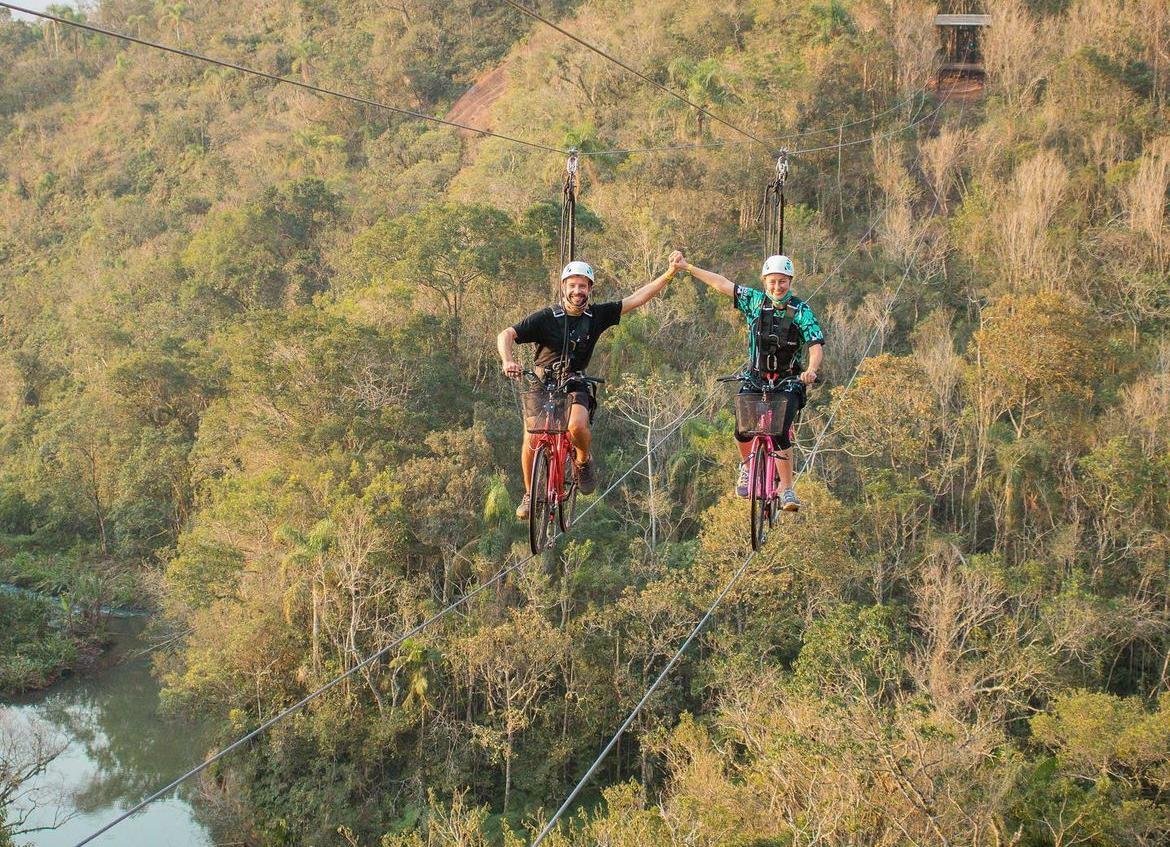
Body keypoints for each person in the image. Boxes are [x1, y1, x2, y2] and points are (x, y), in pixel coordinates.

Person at [498, 259, 676, 519]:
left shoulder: (596, 316)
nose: (577, 291)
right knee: (531, 437)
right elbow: (507, 334)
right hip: (542, 381)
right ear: (563, 287)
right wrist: (508, 360)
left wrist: (669, 273)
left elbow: (637, 299)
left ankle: (582, 461)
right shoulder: (548, 317)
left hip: (575, 381)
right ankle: (530, 495)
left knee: (577, 426)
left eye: (583, 286)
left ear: (590, 289)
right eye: (572, 285)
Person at [669, 250, 824, 511]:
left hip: (788, 381)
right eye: (772, 281)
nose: (777, 287)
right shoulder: (753, 301)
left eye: (783, 281)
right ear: (765, 282)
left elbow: (815, 344)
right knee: (742, 428)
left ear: (790, 281)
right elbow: (722, 284)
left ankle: (786, 488)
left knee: (780, 429)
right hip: (756, 377)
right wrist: (688, 268)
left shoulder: (801, 311)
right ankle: (747, 465)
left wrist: (810, 370)